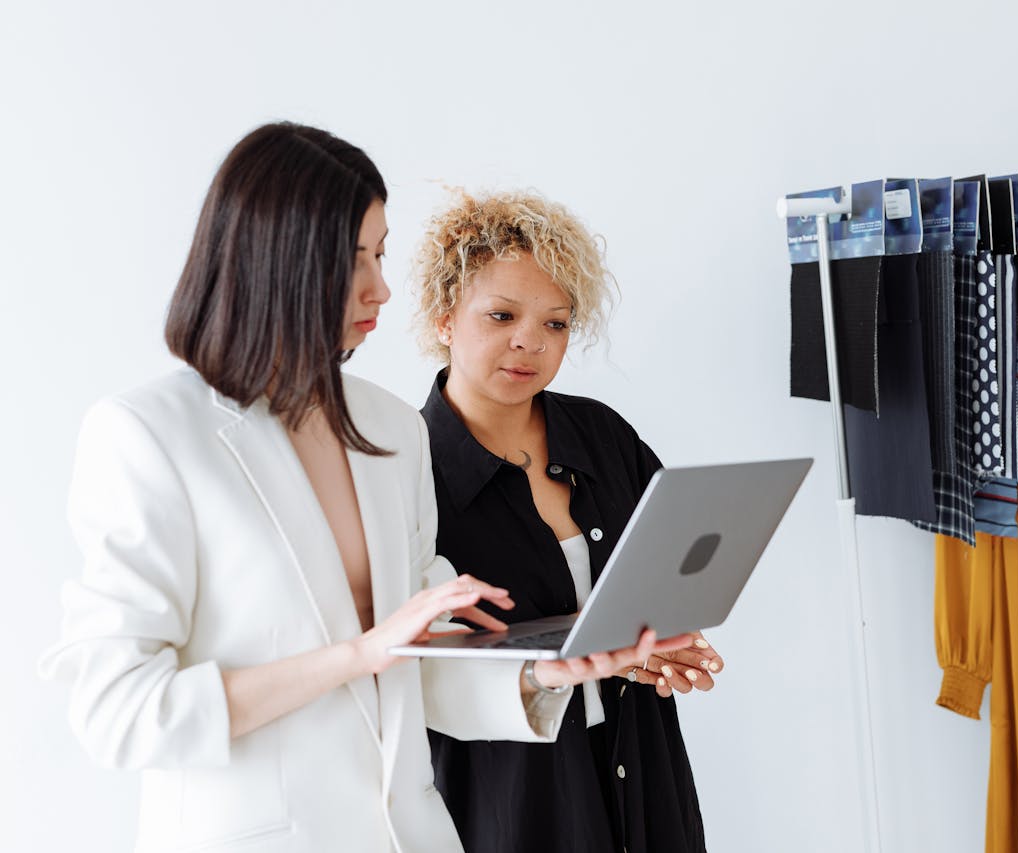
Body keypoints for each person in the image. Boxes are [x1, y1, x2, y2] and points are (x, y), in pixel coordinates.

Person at [39, 123, 676, 853]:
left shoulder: (388, 428)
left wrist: (541, 674)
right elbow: (117, 711)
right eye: (356, 258)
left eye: (380, 251)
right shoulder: (148, 435)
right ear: (277, 256)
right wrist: (354, 654)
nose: (383, 285)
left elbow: (421, 665)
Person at [414, 189, 722, 853]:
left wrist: (663, 647)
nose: (529, 341)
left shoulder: (604, 436)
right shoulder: (406, 470)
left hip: (643, 772)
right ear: (444, 317)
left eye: (556, 323)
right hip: (509, 797)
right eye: (501, 315)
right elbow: (414, 667)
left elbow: (660, 580)